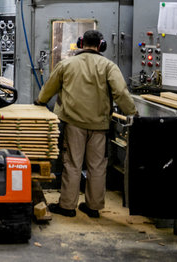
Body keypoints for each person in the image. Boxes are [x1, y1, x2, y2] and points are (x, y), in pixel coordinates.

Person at [34, 30, 137, 219]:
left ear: (81, 43)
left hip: (73, 124)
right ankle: (93, 207)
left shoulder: (66, 64)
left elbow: (49, 88)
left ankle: (67, 206)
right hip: (100, 125)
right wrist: (132, 113)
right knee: (97, 166)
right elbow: (121, 93)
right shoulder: (108, 66)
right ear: (101, 45)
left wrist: (40, 101)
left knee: (72, 163)